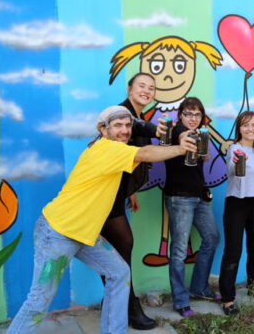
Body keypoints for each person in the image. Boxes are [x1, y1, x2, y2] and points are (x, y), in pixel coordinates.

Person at [7, 106, 196, 334]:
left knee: (119, 272)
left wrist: (175, 134)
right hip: (59, 232)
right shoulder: (106, 149)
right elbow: (145, 153)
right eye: (117, 126)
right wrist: (180, 148)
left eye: (127, 126)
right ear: (103, 130)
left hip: (85, 234)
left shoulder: (114, 151)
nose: (124, 131)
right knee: (38, 301)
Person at [101, 73, 165, 329]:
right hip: (105, 194)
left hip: (117, 191)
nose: (147, 91)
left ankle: (120, 305)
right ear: (129, 89)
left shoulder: (136, 117)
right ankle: (129, 308)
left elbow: (126, 158)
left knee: (115, 252)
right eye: (142, 86)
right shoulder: (122, 115)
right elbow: (126, 145)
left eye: (151, 88)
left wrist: (130, 191)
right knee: (122, 246)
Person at [163, 97, 221, 317]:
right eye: (188, 114)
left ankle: (198, 288)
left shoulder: (199, 133)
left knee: (212, 238)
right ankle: (180, 301)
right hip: (179, 198)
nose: (193, 118)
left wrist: (203, 146)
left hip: (199, 195)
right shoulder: (173, 132)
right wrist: (186, 136)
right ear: (180, 115)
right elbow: (177, 138)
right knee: (178, 250)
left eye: (197, 114)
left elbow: (204, 161)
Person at [220, 111, 254, 316]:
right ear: (239, 128)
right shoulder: (235, 148)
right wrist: (237, 163)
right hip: (236, 203)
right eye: (245, 125)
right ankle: (227, 298)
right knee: (233, 252)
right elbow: (231, 171)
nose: (250, 129)